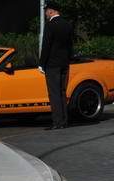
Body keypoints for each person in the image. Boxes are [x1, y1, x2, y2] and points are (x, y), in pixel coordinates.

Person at [39, 1, 73, 130]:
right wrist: (67, 60)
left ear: (51, 11)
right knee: (62, 92)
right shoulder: (67, 25)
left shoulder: (50, 25)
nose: (46, 13)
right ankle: (64, 121)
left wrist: (41, 63)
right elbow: (70, 46)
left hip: (52, 65)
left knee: (54, 93)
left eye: (46, 11)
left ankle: (57, 122)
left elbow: (46, 46)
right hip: (64, 63)